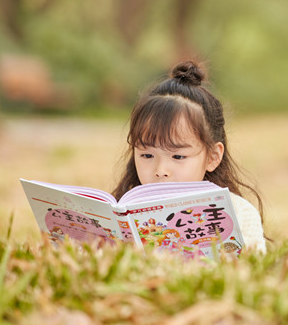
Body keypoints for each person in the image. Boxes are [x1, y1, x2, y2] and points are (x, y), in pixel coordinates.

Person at [113, 61, 267, 253]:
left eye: (177, 156)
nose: (160, 171)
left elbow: (253, 268)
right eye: (146, 155)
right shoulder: (122, 213)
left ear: (212, 157)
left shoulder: (239, 213)